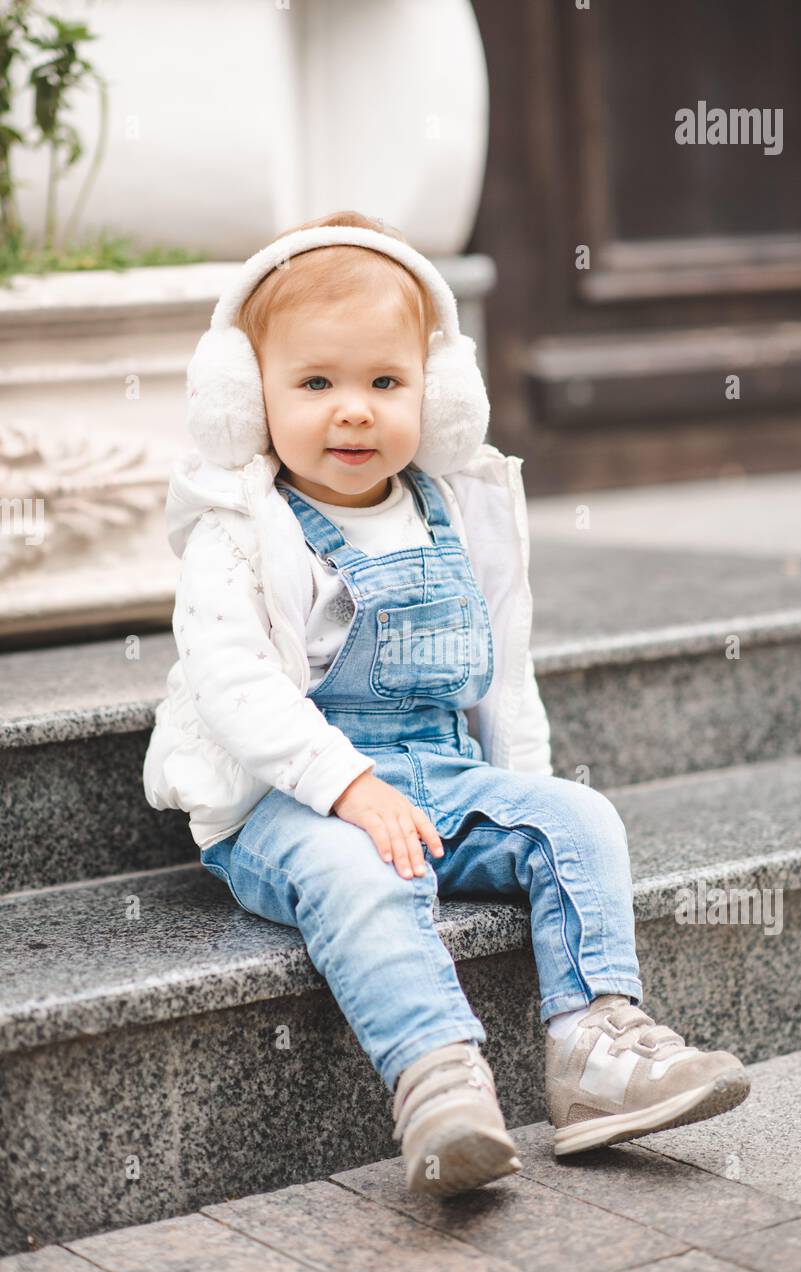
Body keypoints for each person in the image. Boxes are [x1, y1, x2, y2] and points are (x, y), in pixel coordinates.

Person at [143, 210, 750, 1198]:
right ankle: (438, 1080)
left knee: (579, 817)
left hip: (436, 769)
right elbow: (235, 682)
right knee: (362, 869)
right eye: (316, 383)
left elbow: (505, 672)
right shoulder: (242, 529)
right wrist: (349, 786)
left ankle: (597, 1051)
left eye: (385, 382)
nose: (354, 411)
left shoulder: (457, 506)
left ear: (439, 391)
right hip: (284, 794)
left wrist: (523, 795)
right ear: (243, 397)